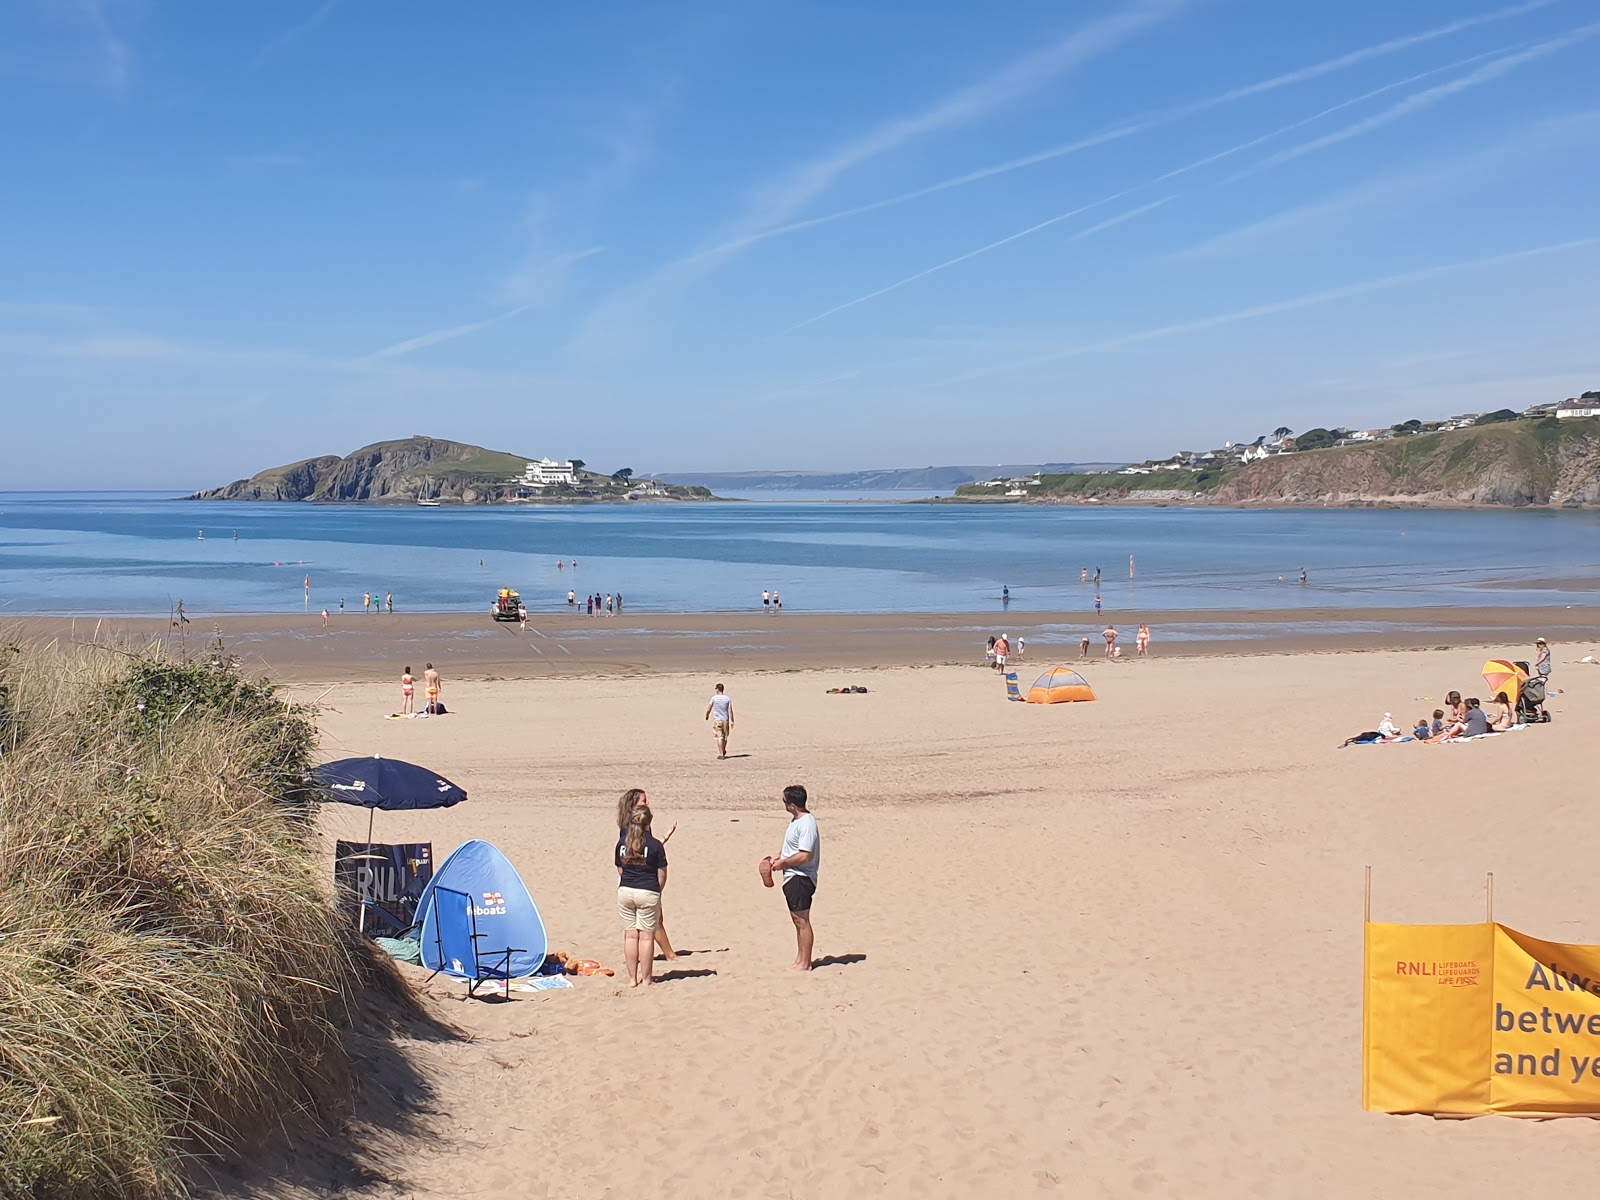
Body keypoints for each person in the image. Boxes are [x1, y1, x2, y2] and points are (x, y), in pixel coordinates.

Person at [763, 784, 820, 971]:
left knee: (802, 921)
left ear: (792, 805)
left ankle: (805, 963)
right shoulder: (797, 821)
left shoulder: (807, 824)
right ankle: (800, 959)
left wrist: (784, 864)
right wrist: (778, 857)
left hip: (801, 877)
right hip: (792, 876)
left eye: (785, 802)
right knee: (797, 921)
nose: (784, 805)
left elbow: (805, 855)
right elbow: (792, 848)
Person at [616, 789, 676, 961]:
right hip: (640, 881)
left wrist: (663, 839)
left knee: (650, 922)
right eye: (644, 801)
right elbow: (630, 856)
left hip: (636, 880)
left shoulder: (639, 828)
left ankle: (669, 953)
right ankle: (670, 955)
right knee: (649, 924)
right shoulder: (629, 829)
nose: (647, 803)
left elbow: (644, 849)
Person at [615, 807, 668, 988]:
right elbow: (662, 874)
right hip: (647, 890)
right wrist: (656, 891)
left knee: (630, 936)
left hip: (626, 890)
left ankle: (632, 979)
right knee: (646, 937)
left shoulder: (622, 842)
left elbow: (620, 869)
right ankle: (646, 979)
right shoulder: (655, 845)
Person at [706, 683, 734, 759]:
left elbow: (709, 708)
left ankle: (721, 753)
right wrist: (732, 720)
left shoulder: (714, 698)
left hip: (718, 720)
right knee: (725, 736)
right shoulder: (727, 698)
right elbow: (730, 710)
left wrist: (707, 715)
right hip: (726, 719)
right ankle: (723, 750)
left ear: (717, 689)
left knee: (719, 737)